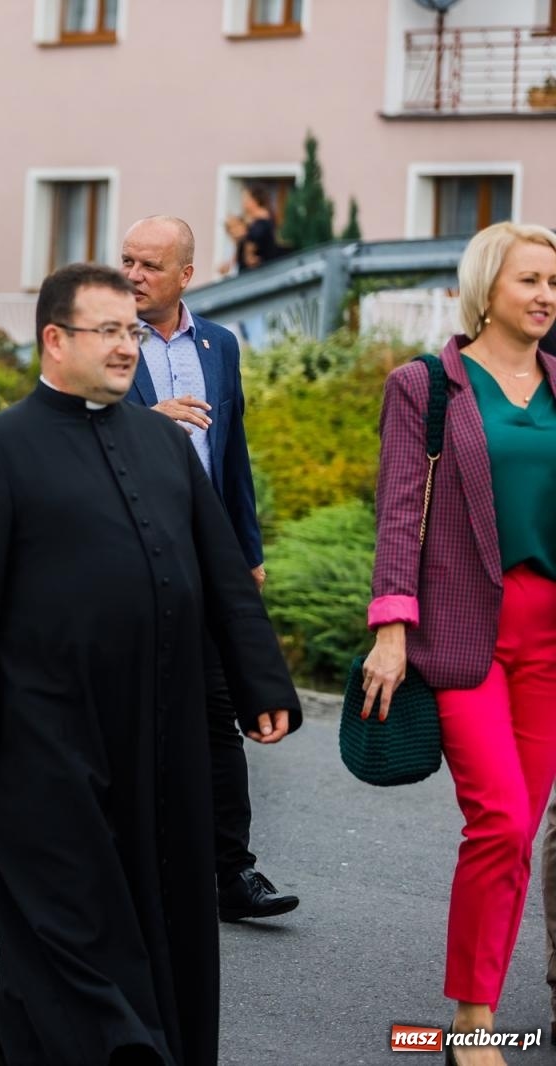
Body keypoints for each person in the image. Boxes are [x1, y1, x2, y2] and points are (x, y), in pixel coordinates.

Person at [0, 263, 299, 1066]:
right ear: (56, 341)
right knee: (73, 918)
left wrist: (260, 679)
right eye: (110, 332)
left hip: (155, 730)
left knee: (149, 906)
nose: (129, 347)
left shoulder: (163, 442)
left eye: (133, 330)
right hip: (36, 738)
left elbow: (219, 569)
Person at [362, 221, 556, 1063]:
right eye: (529, 281)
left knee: (520, 830)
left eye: (553, 281)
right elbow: (401, 510)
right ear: (488, 289)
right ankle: (472, 1027)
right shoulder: (427, 387)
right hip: (465, 630)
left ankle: (481, 1006)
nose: (546, 295)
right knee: (501, 820)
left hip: (551, 636)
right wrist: (391, 629)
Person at [120, 215, 299, 923]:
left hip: (203, 555)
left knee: (218, 716)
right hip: (122, 555)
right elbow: (61, 425)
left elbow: (233, 456)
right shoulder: (101, 339)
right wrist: (146, 421)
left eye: (150, 266)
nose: (134, 276)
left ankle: (232, 870)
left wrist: (245, 552)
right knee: (128, 716)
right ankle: (131, 868)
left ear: (186, 276)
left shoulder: (218, 347)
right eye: (127, 261)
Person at [236, 182, 281, 273]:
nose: (243, 202)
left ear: (255, 200)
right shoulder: (253, 221)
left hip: (257, 276)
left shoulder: (262, 222)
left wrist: (249, 255)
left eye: (246, 198)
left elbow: (253, 240)